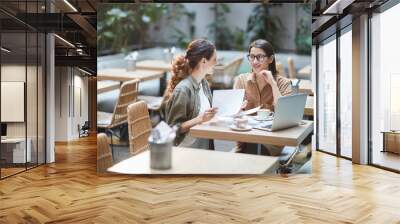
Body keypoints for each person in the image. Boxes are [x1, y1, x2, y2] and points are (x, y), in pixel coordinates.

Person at [234, 39, 293, 155]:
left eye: (260, 57)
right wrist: (238, 110)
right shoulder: (241, 80)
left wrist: (272, 83)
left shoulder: (283, 83)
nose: (255, 61)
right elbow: (233, 114)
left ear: (270, 59)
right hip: (246, 139)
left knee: (255, 150)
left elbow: (285, 112)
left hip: (271, 142)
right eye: (251, 57)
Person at [165, 39, 218, 148]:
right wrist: (200, 119)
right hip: (185, 152)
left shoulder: (204, 83)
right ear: (203, 61)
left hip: (203, 148)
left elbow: (209, 115)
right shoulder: (183, 90)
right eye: (214, 59)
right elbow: (173, 128)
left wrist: (234, 109)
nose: (216, 63)